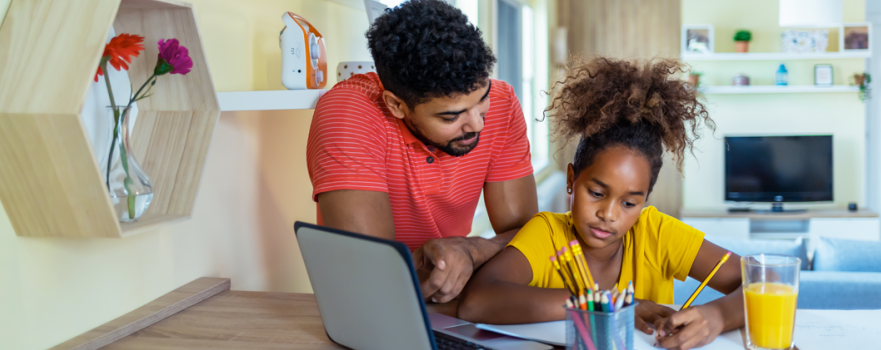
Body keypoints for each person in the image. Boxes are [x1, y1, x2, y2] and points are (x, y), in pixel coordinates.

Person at [457, 56, 743, 350]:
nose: (608, 214)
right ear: (572, 179)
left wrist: (717, 315)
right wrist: (605, 305)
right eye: (596, 193)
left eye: (629, 203)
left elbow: (766, 281)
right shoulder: (547, 234)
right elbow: (477, 302)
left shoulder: (657, 233)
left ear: (645, 201)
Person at [306, 0, 538, 304]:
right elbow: (371, 270)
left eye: (483, 99)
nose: (477, 123)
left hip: (457, 302)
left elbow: (531, 239)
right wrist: (478, 256)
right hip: (369, 307)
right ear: (396, 106)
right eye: (451, 117)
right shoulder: (349, 113)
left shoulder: (504, 102)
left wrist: (473, 249)